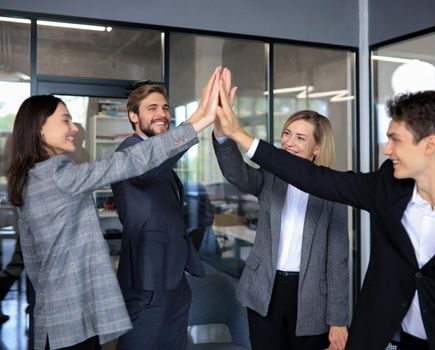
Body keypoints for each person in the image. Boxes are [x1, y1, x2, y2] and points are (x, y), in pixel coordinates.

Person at [215, 88, 435, 350]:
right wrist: (236, 135)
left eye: (395, 140)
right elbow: (313, 177)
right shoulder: (384, 188)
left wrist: (337, 319)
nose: (387, 149)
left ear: (430, 144)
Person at [6, 68, 220, 350]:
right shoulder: (55, 174)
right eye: (66, 120)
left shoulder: (32, 176)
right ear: (40, 128)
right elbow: (125, 163)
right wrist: (199, 122)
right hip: (70, 316)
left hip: (63, 313)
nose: (73, 127)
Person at [213, 93, 350, 350]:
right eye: (287, 133)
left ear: (317, 148)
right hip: (265, 290)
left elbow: (338, 261)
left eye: (300, 138)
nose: (288, 142)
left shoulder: (334, 189)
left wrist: (338, 320)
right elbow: (236, 172)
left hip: (311, 298)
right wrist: (222, 134)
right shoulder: (270, 176)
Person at [111, 73, 219, 349]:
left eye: (165, 108)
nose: (162, 114)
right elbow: (153, 160)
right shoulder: (127, 155)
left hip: (174, 279)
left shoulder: (159, 158)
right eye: (152, 108)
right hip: (147, 280)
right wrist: (200, 117)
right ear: (134, 117)